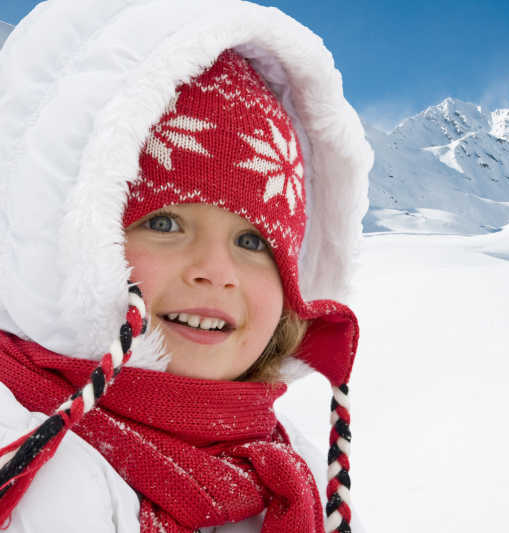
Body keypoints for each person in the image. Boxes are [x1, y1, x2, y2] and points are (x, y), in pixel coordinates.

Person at [0, 1, 372, 532]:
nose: (216, 271)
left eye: (251, 240)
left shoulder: (290, 471)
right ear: (69, 242)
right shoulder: (26, 459)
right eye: (166, 224)